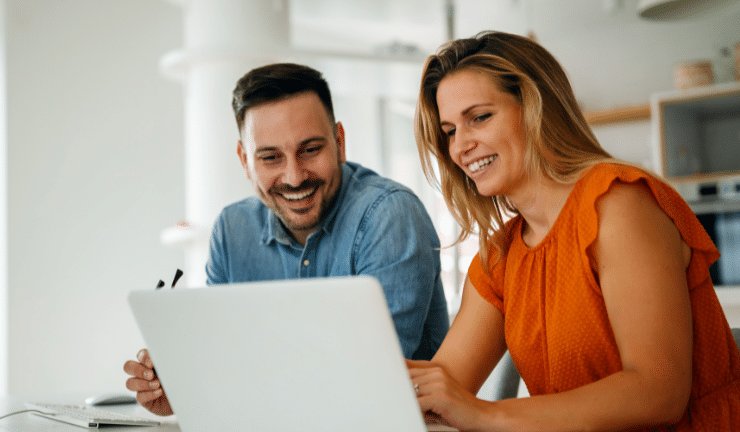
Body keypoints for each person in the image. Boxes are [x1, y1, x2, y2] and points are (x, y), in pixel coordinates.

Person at [408, 31, 740, 431]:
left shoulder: (618, 205)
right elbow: (442, 386)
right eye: (449, 131)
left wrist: (485, 413)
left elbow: (659, 392)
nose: (461, 145)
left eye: (479, 117)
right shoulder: (501, 256)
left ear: (537, 109)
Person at [124, 63, 449, 416]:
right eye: (270, 157)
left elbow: (370, 385)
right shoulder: (232, 230)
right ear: (244, 160)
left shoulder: (389, 216)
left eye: (310, 150)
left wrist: (224, 382)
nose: (294, 178)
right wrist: (184, 388)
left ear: (340, 143)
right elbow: (223, 360)